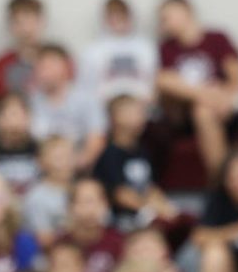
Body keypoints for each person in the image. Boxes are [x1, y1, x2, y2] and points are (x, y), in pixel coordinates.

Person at [155, 0, 238, 176]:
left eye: (167, 17)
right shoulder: (166, 47)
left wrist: (226, 98)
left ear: (185, 11)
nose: (164, 23)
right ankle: (223, 182)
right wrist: (207, 94)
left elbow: (236, 76)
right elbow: (164, 81)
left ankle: (219, 180)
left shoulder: (217, 38)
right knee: (163, 80)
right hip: (183, 112)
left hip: (222, 109)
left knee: (203, 112)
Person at [93, 94, 179, 231]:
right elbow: (120, 194)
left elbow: (150, 186)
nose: (142, 116)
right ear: (116, 117)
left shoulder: (142, 151)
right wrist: (151, 208)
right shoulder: (110, 155)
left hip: (144, 215)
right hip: (120, 221)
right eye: (135, 111)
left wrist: (166, 206)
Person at [28, 44, 106, 170]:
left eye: (51, 65)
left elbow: (97, 137)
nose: (45, 72)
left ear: (66, 66)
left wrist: (76, 164)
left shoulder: (86, 99)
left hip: (78, 169)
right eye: (41, 66)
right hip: (41, 169)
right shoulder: (31, 101)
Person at [78, 0, 160, 104]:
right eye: (113, 15)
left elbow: (154, 80)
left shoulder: (146, 47)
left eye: (121, 15)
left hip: (140, 105)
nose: (117, 20)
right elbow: (86, 86)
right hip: (106, 107)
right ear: (105, 19)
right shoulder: (93, 50)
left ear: (129, 16)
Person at [21, 136, 76, 246]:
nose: (66, 163)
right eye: (59, 158)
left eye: (69, 156)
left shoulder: (82, 189)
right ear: (42, 162)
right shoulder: (37, 197)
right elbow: (44, 241)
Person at [0, 0, 46, 97]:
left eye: (30, 21)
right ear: (10, 26)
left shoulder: (58, 60)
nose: (25, 29)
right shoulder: (2, 64)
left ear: (41, 21)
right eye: (18, 22)